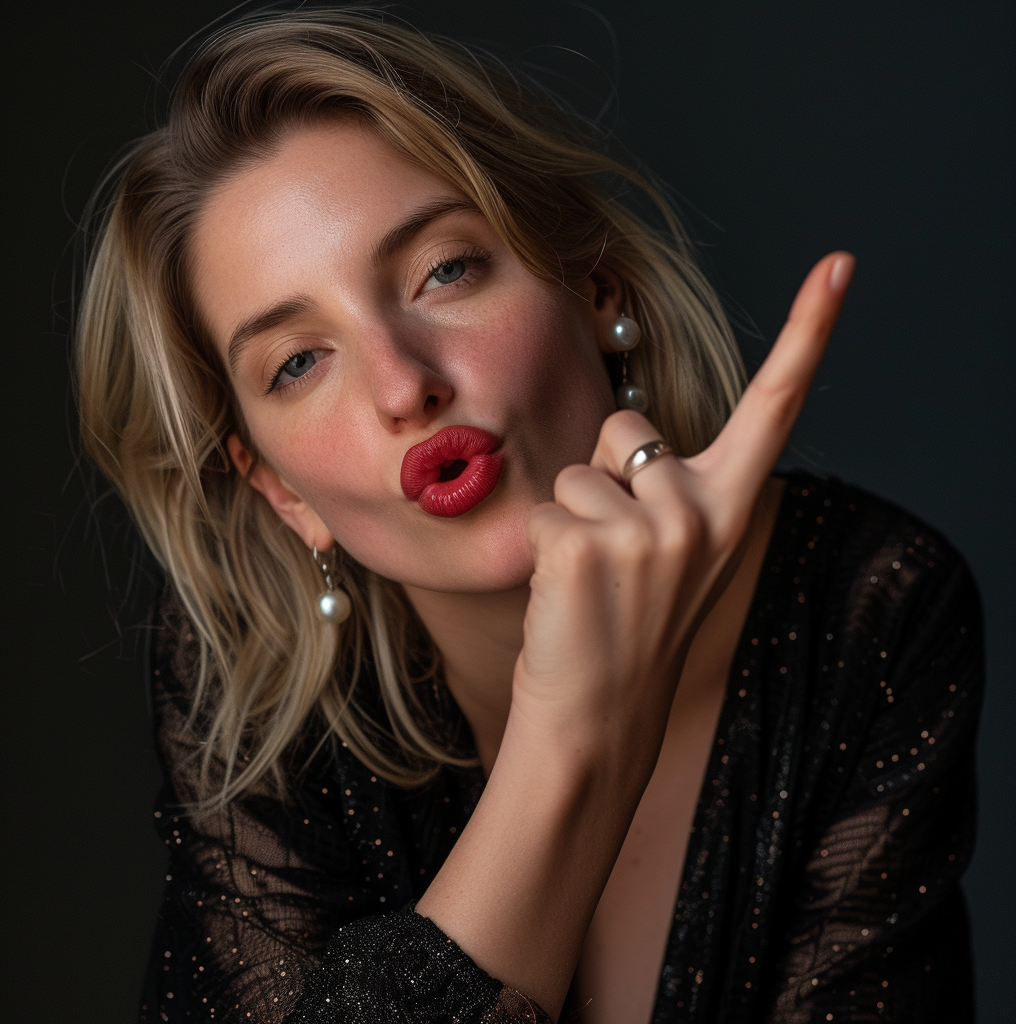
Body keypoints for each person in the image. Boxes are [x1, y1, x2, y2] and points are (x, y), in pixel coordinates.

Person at [75, 8, 982, 1023]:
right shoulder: (246, 674)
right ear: (281, 491)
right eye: (297, 361)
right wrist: (574, 734)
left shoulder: (868, 604)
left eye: (443, 270)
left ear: (596, 290)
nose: (401, 386)